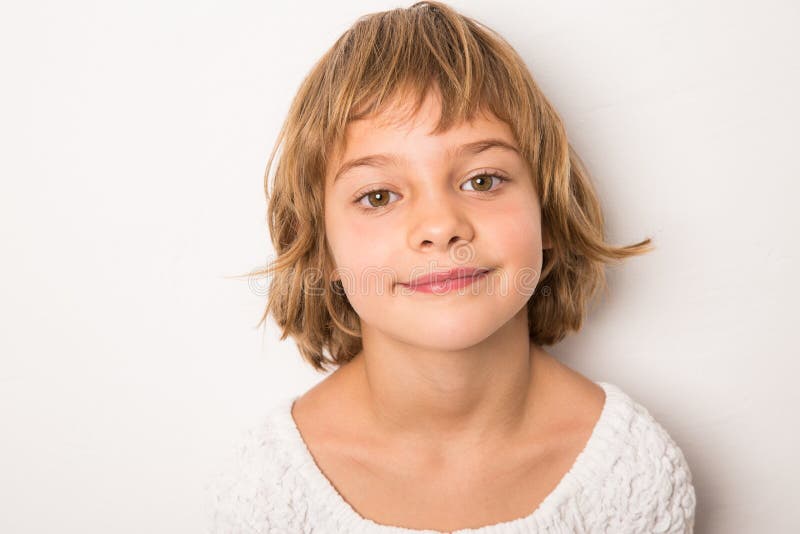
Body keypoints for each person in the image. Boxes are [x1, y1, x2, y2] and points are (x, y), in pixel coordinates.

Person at [209, 2, 697, 532]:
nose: (440, 225)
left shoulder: (630, 474)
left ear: (549, 211)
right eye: (378, 195)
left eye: (482, 180)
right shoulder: (267, 490)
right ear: (322, 249)